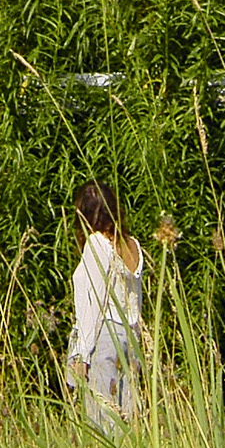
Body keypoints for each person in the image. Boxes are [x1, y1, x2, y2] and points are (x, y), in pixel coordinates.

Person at [66, 181, 142, 431]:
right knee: (127, 417)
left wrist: (81, 354)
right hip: (132, 338)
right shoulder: (133, 245)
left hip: (104, 336)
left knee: (102, 421)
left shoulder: (97, 244)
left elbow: (94, 304)